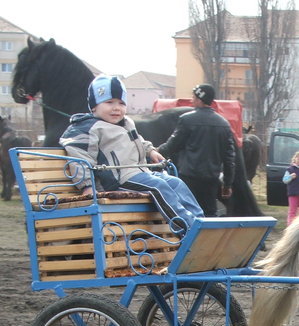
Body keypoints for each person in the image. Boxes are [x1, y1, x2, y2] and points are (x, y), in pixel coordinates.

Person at [60, 75, 203, 233]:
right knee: (158, 186)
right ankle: (187, 228)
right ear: (94, 106)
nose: (116, 108)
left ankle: (199, 222)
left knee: (176, 183)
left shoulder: (126, 123)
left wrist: (150, 150)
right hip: (117, 179)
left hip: (140, 172)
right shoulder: (86, 127)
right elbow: (79, 156)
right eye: (109, 102)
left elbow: (138, 140)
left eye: (121, 103)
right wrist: (86, 185)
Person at [157, 83, 235, 217]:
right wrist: (227, 184)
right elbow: (229, 158)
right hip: (211, 178)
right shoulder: (224, 124)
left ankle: (190, 238)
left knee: (187, 212)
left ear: (200, 99)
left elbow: (171, 146)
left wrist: (154, 152)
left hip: (189, 177)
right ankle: (209, 238)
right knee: (210, 213)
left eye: (193, 98)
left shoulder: (186, 120)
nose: (192, 101)